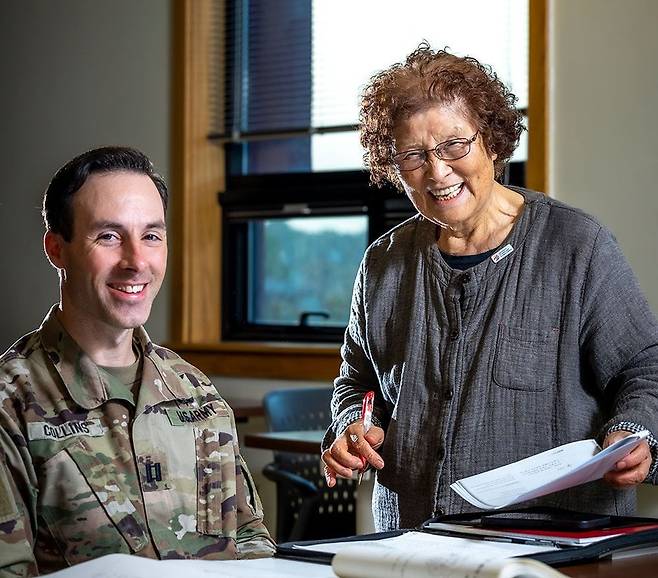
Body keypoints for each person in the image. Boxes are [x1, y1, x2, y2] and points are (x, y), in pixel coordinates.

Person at [321, 44, 658, 532]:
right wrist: (351, 424)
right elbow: (355, 382)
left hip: (550, 540)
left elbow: (644, 367)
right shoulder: (384, 263)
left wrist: (633, 432)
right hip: (412, 537)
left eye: (455, 145)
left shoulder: (577, 245)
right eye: (413, 156)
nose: (437, 172)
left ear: (493, 143)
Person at [0, 147, 275, 576]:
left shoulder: (194, 390)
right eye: (108, 236)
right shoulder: (11, 404)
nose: (136, 261)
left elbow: (249, 536)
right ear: (57, 249)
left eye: (151, 235)